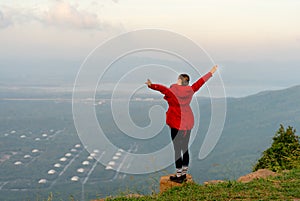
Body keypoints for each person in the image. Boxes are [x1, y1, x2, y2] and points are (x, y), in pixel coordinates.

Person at [145, 65, 218, 183]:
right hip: (187, 122)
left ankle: (179, 176)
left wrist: (151, 85)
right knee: (185, 148)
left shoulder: (172, 90)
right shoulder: (190, 90)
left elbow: (162, 89)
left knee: (177, 149)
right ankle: (184, 174)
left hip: (176, 122)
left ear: (179, 81)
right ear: (187, 82)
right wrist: (210, 72)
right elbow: (200, 83)